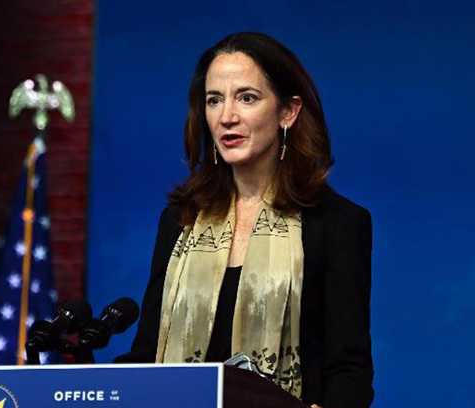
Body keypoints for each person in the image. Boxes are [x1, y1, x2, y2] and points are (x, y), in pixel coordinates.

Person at [114, 32, 374, 408]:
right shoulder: (179, 221)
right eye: (214, 100)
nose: (227, 117)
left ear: (288, 112)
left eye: (247, 98)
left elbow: (349, 372)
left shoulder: (337, 223)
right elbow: (147, 354)